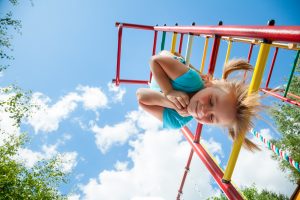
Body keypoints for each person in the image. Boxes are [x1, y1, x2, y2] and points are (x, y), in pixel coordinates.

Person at [136, 50, 261, 151]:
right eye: (212, 101)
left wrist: (172, 103)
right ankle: (187, 64)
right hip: (171, 62)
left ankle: (200, 75)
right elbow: (155, 60)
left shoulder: (177, 121)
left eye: (212, 118)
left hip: (161, 82)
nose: (204, 110)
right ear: (210, 87)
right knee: (169, 55)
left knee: (198, 77)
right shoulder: (192, 80)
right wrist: (169, 92)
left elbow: (140, 96)